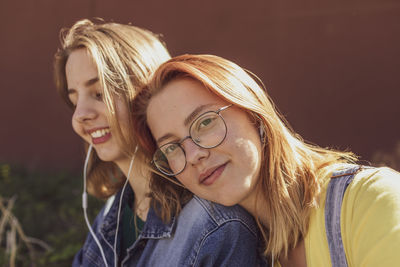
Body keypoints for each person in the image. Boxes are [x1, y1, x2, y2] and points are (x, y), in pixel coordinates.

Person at [132, 54, 400, 267]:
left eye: (205, 122)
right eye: (171, 148)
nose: (193, 156)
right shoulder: (238, 253)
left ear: (254, 114)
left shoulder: (369, 201)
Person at [54, 21, 266, 266]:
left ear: (146, 94)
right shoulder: (113, 216)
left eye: (99, 94)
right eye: (74, 100)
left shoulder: (216, 225)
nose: (80, 115)